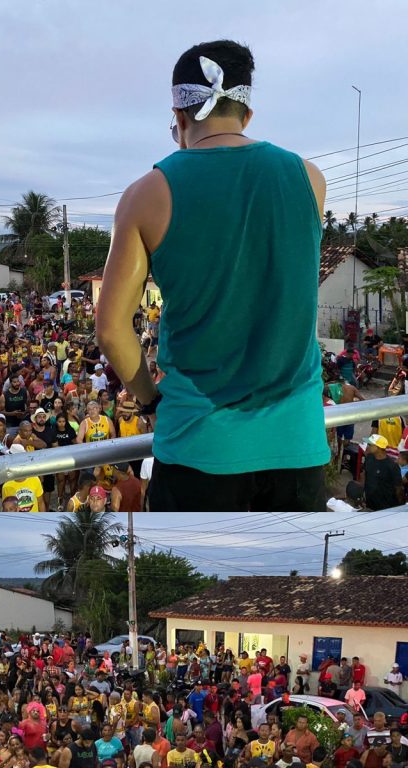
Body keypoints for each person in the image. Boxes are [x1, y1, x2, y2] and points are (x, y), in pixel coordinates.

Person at [96, 40, 329, 512]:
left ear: (179, 118)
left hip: (195, 445)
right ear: (247, 114)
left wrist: (150, 401)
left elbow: (111, 329)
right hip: (297, 444)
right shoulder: (309, 179)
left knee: (188, 567)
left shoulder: (146, 196)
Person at [361, 433, 404, 509]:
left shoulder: (392, 466)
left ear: (378, 448)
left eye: (370, 444)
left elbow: (398, 488)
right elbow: (364, 474)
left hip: (385, 507)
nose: (367, 446)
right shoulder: (369, 458)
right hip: (369, 504)